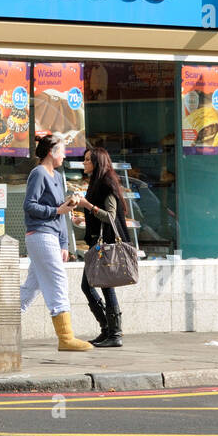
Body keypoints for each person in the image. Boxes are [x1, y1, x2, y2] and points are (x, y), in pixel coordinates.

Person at [21, 135, 92, 351]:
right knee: (58, 280)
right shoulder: (39, 173)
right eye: (61, 150)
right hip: (40, 234)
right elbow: (29, 205)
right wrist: (56, 210)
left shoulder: (57, 176)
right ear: (51, 151)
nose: (64, 155)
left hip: (50, 236)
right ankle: (66, 337)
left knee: (31, 287)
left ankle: (0, 327)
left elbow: (62, 213)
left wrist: (63, 243)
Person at [71, 146, 128, 348]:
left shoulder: (106, 184)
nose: (84, 163)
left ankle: (114, 333)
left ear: (97, 163)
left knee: (102, 285)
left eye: (88, 160)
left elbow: (110, 216)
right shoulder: (95, 183)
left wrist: (88, 206)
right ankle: (108, 330)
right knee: (91, 286)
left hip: (106, 243)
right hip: (96, 243)